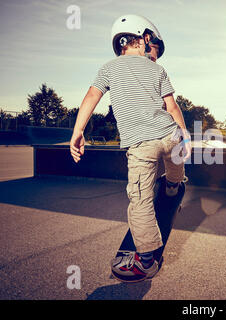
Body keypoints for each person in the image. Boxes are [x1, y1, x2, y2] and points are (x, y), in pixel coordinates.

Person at [69, 14, 192, 281]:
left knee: (140, 201)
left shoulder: (108, 68)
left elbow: (92, 96)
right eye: (155, 50)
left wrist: (78, 130)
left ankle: (146, 259)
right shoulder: (158, 70)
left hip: (141, 146)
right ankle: (173, 185)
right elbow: (171, 106)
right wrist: (184, 134)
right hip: (170, 135)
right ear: (145, 38)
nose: (155, 58)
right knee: (175, 165)